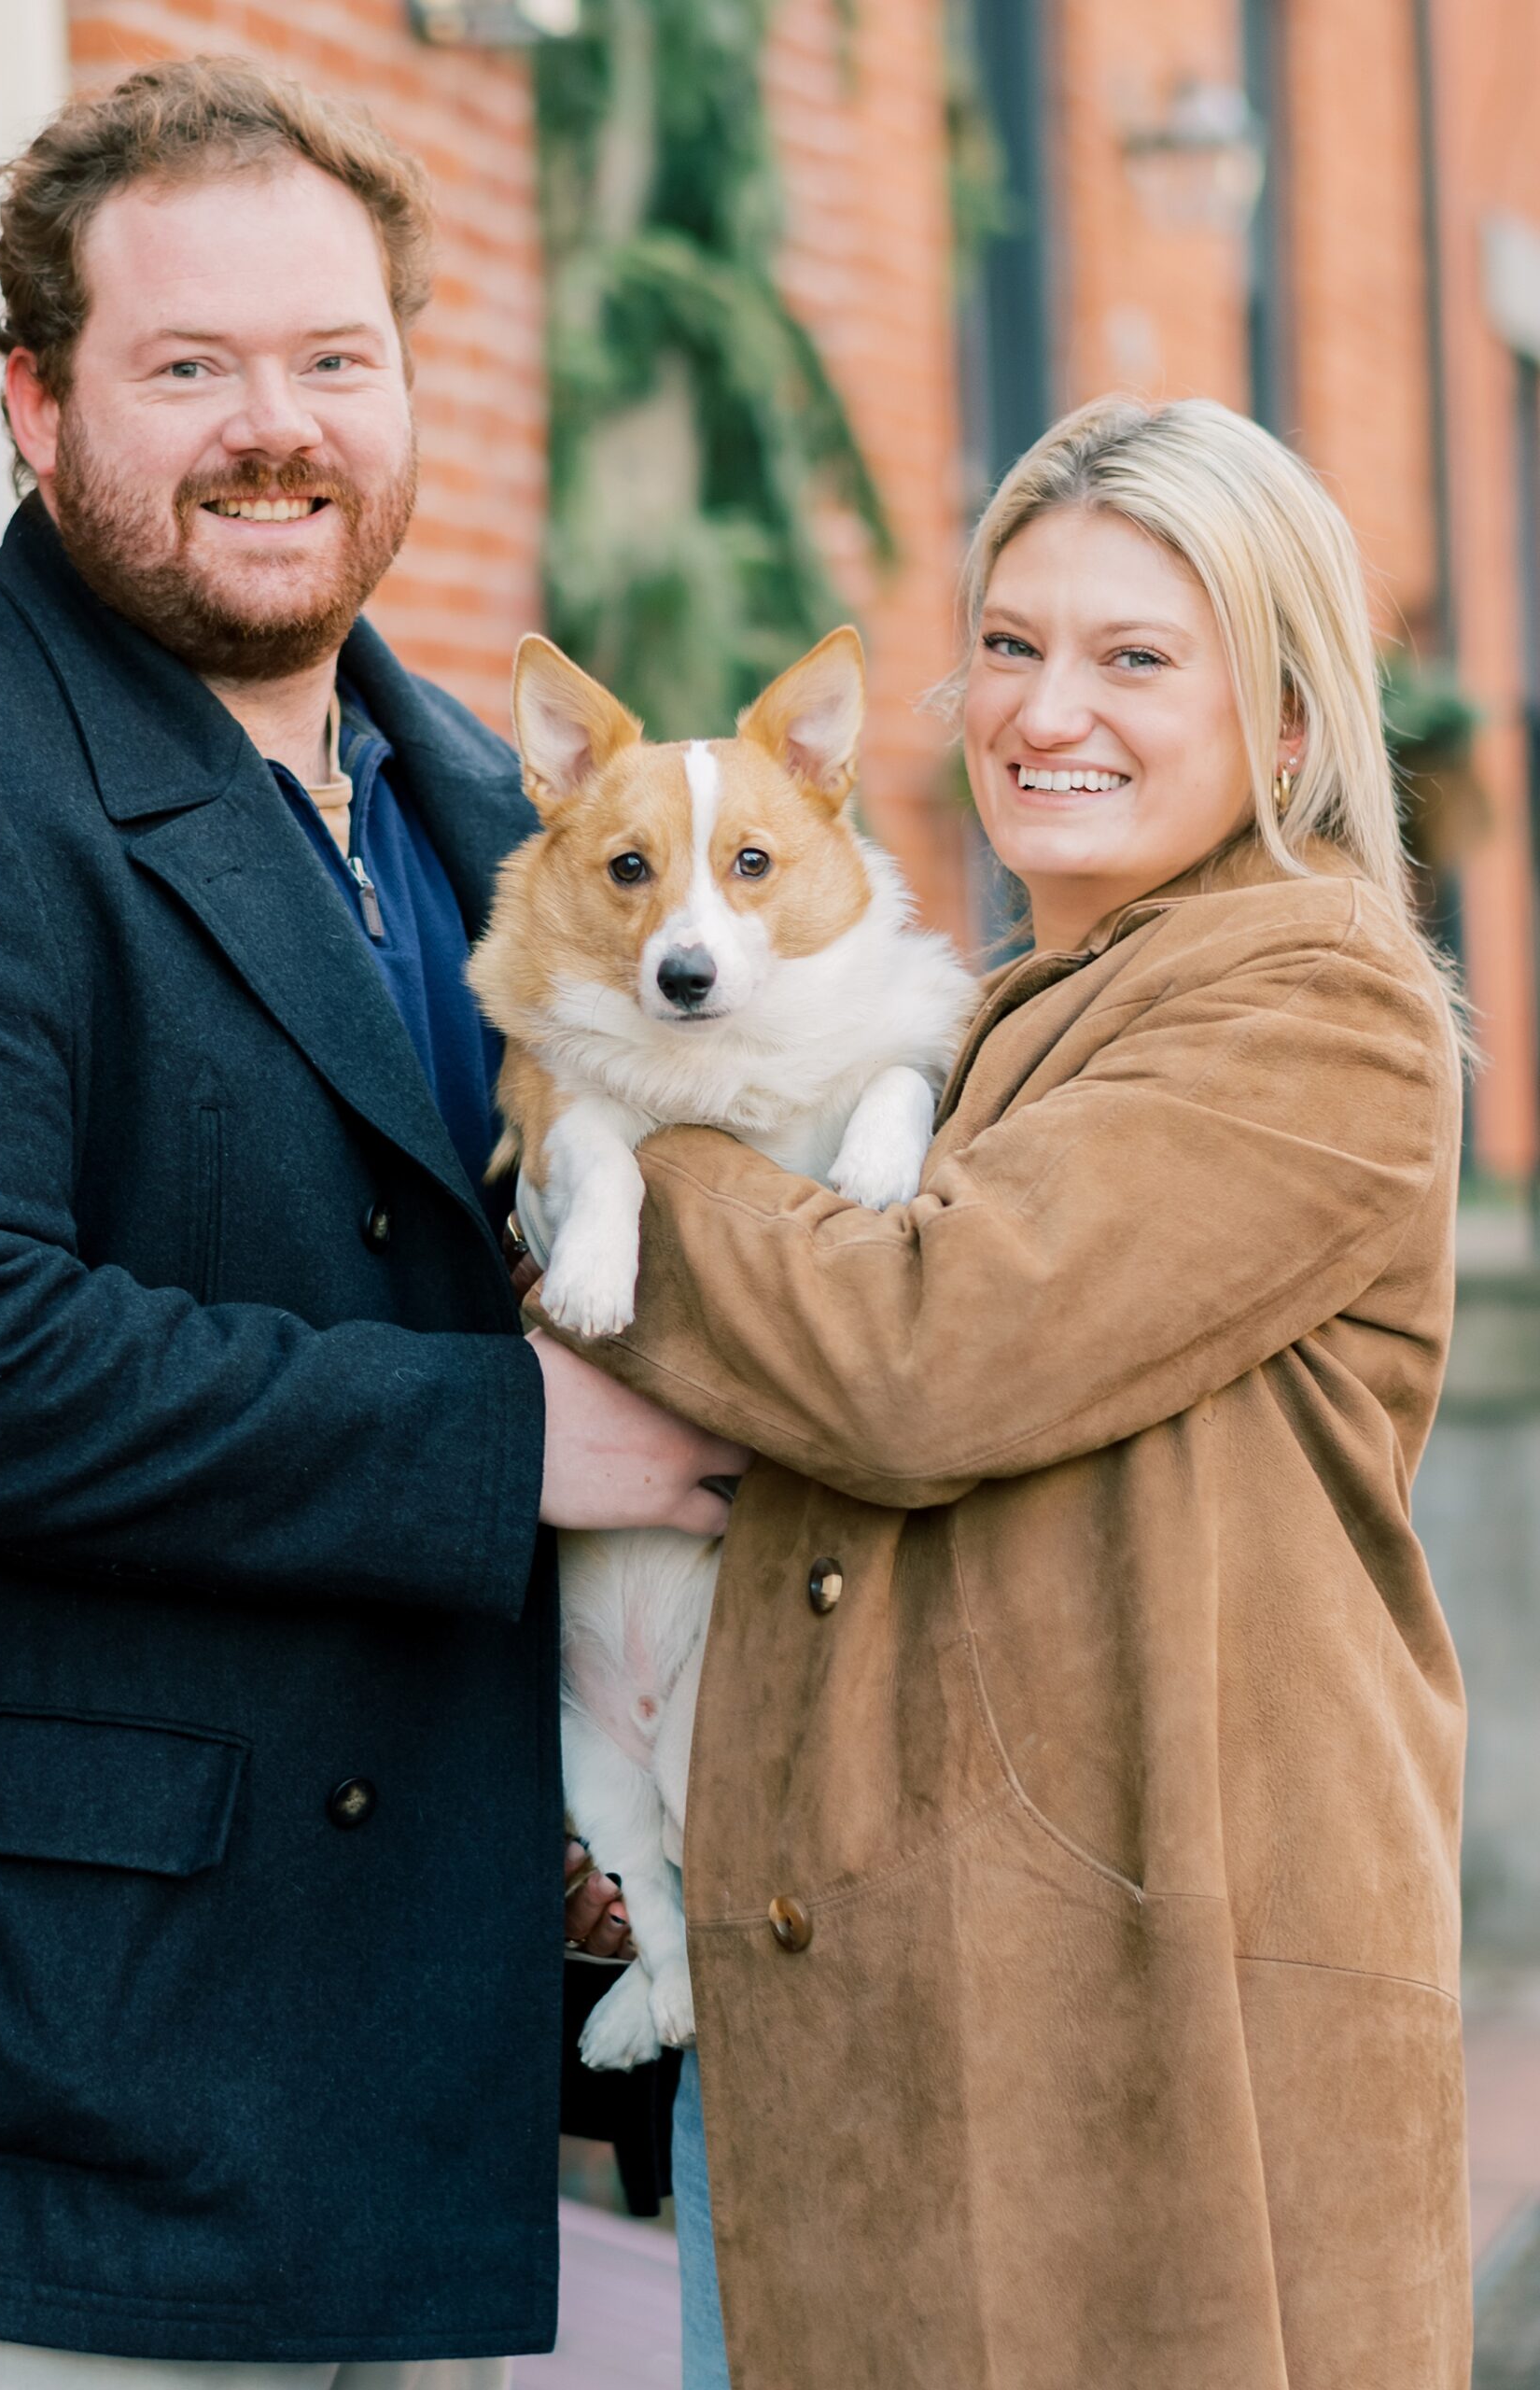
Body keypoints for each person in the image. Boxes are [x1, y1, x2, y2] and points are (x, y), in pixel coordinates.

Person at [0, 54, 743, 2390]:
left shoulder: (504, 815)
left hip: (420, 2083)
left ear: (411, 383)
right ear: (34, 400)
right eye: (186, 366)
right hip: (42, 2103)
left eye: (330, 359)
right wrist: (518, 1439)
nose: (271, 425)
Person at [541, 394, 1474, 2390]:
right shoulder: (1004, 1015)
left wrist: (605, 1122)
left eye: (1139, 654)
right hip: (862, 2052)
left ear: (1291, 724)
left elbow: (914, 1352)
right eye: (1013, 642)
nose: (1053, 705)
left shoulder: (1310, 997)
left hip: (1132, 2062)